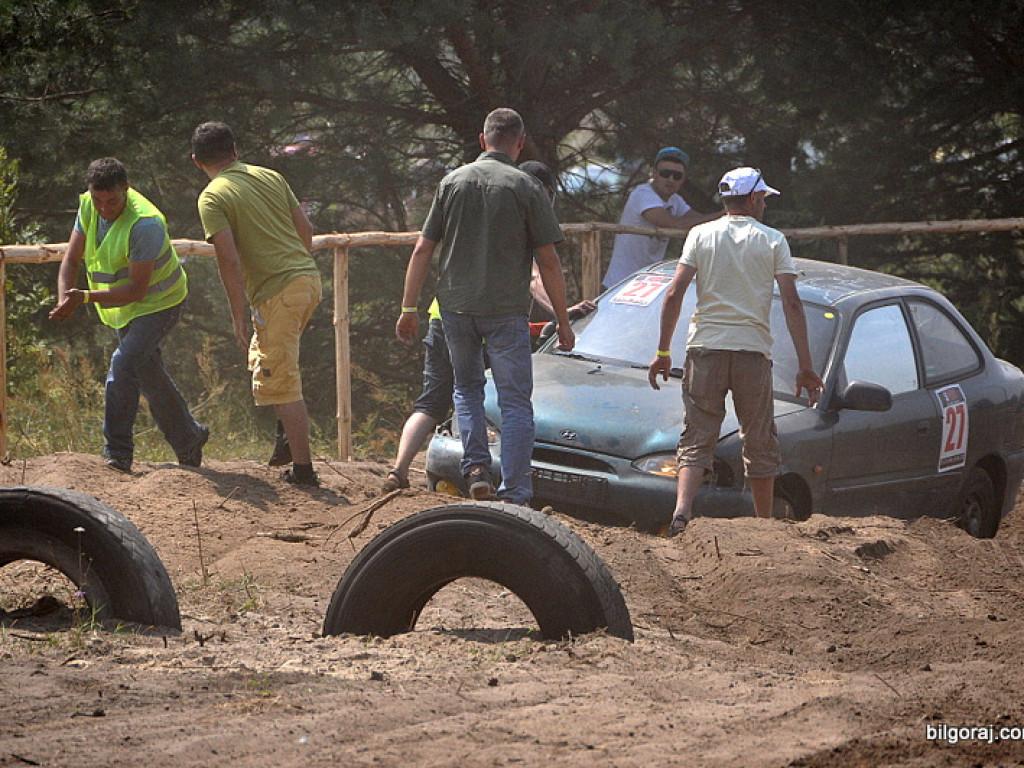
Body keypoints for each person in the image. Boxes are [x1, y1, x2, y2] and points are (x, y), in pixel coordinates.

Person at [396, 108, 574, 505]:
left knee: (466, 388)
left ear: (483, 140)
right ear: (520, 143)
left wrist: (409, 306)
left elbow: (424, 247)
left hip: (456, 307)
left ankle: (475, 469)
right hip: (506, 310)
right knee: (514, 402)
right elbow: (548, 261)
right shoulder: (526, 187)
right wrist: (562, 320)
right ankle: (516, 490)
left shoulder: (452, 182)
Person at [648, 167, 824, 536]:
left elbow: (673, 294)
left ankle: (681, 514)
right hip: (751, 352)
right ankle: (765, 526)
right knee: (759, 438)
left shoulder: (700, 234)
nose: (764, 204)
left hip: (705, 349)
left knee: (697, 435)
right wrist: (806, 367)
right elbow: (792, 304)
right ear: (754, 199)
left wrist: (663, 351)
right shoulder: (773, 240)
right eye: (763, 198)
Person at [49, 157, 208, 474]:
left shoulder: (145, 224)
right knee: (148, 374)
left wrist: (85, 298)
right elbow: (70, 260)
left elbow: (137, 289)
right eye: (98, 200)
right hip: (124, 308)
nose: (104, 207)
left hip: (159, 303)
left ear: (127, 188)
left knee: (122, 365)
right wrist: (65, 297)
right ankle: (189, 437)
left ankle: (117, 453)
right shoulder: (88, 205)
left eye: (112, 200)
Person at [191, 121, 322, 487]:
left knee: (282, 379)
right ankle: (286, 438)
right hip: (308, 280)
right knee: (268, 357)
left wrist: (237, 314)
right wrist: (294, 267)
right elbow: (306, 231)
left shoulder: (213, 196)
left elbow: (229, 259)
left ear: (196, 161)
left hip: (277, 290)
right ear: (234, 150)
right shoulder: (270, 176)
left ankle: (304, 471)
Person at [602, 146, 721, 290]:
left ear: (683, 179)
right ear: (654, 173)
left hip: (644, 283)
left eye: (677, 176)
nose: (670, 179)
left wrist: (724, 217)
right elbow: (673, 224)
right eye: (665, 173)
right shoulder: (643, 194)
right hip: (619, 283)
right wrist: (722, 215)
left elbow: (700, 221)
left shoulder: (675, 200)